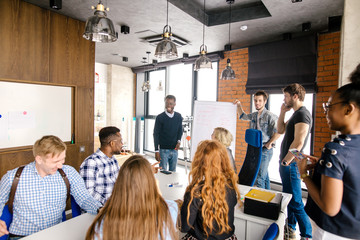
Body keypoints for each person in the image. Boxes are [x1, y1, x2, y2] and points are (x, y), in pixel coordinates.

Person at [295, 64, 360, 240]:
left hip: (333, 232)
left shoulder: (336, 150)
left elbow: (329, 207)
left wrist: (304, 175)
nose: (326, 112)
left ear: (348, 109)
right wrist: (323, 167)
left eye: (330, 106)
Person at [0, 135, 101, 239]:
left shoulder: (68, 172)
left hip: (56, 234)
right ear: (39, 159)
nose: (60, 166)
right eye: (55, 162)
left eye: (62, 160)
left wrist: (100, 209)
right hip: (23, 236)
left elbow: (84, 198)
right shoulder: (12, 177)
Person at [85, 155, 178, 240]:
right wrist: (157, 192)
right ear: (152, 183)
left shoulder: (103, 222)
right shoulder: (170, 209)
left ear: (119, 183)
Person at [180, 140, 241, 240]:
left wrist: (184, 205)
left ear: (199, 162)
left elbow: (184, 227)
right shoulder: (231, 186)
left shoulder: (196, 191)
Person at [277, 84, 312, 240]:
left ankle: (307, 235)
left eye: (286, 96)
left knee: (297, 202)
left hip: (290, 164)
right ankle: (290, 229)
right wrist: (282, 112)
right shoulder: (295, 114)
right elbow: (280, 130)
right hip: (287, 163)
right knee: (290, 200)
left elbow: (298, 143)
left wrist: (286, 161)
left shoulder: (303, 114)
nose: (284, 99)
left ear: (295, 96)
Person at [234, 90, 279, 189]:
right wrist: (239, 106)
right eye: (255, 100)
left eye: (259, 100)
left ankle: (260, 202)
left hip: (265, 150)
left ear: (265, 101)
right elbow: (243, 116)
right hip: (256, 149)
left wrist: (270, 143)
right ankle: (268, 198)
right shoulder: (254, 115)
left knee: (260, 178)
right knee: (264, 175)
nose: (257, 103)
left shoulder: (270, 116)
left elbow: (279, 131)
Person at [80, 126, 122, 205]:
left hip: (115, 206)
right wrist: (111, 203)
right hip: (99, 210)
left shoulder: (113, 159)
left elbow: (120, 182)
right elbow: (88, 194)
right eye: (120, 141)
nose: (122, 144)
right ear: (112, 143)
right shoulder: (91, 163)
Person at [153, 95, 183, 172]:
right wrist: (156, 151)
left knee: (173, 173)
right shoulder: (160, 117)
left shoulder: (178, 116)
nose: (168, 105)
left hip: (175, 150)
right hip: (163, 150)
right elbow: (156, 134)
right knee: (163, 173)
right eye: (167, 103)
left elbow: (180, 130)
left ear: (174, 104)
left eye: (170, 103)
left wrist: (179, 141)